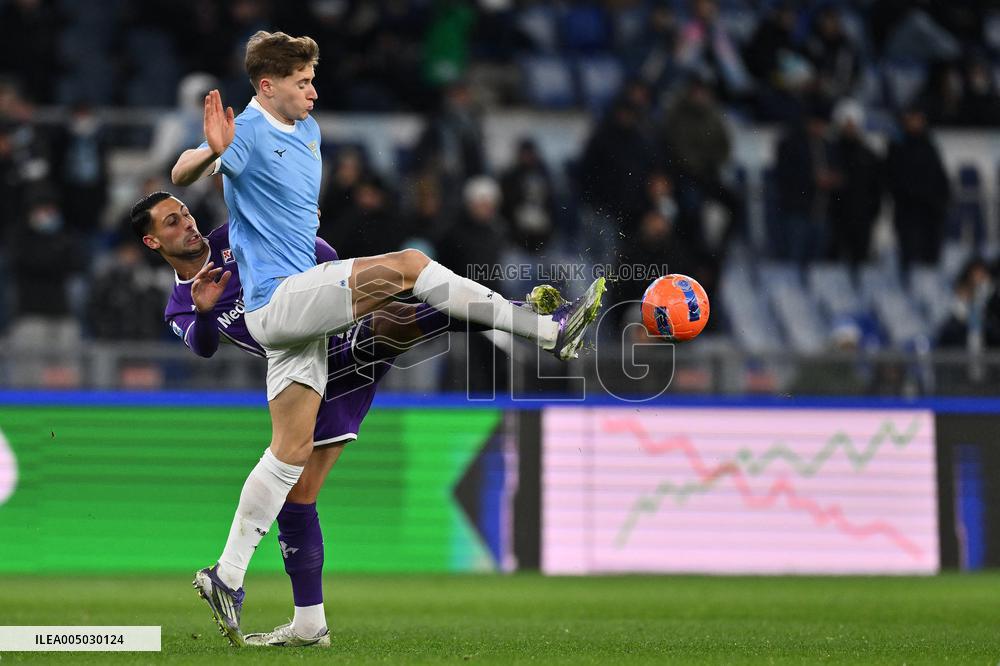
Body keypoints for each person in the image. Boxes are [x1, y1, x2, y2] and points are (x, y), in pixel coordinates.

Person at [169, 29, 604, 648]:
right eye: (302, 82)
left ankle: (231, 578)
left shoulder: (311, 133)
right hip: (281, 300)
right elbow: (183, 170)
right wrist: (209, 154)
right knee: (408, 266)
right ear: (267, 87)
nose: (314, 90)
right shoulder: (249, 132)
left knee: (290, 452)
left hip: (294, 323)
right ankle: (547, 331)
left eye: (313, 79)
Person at [132, 191, 559, 646]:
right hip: (305, 370)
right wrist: (203, 311)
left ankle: (528, 319)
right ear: (153, 242)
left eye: (186, 214)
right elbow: (202, 346)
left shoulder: (235, 236)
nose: (188, 224)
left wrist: (297, 238)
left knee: (394, 316)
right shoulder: (180, 305)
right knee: (298, 496)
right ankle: (308, 624)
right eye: (172, 223)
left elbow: (325, 256)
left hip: (330, 339)